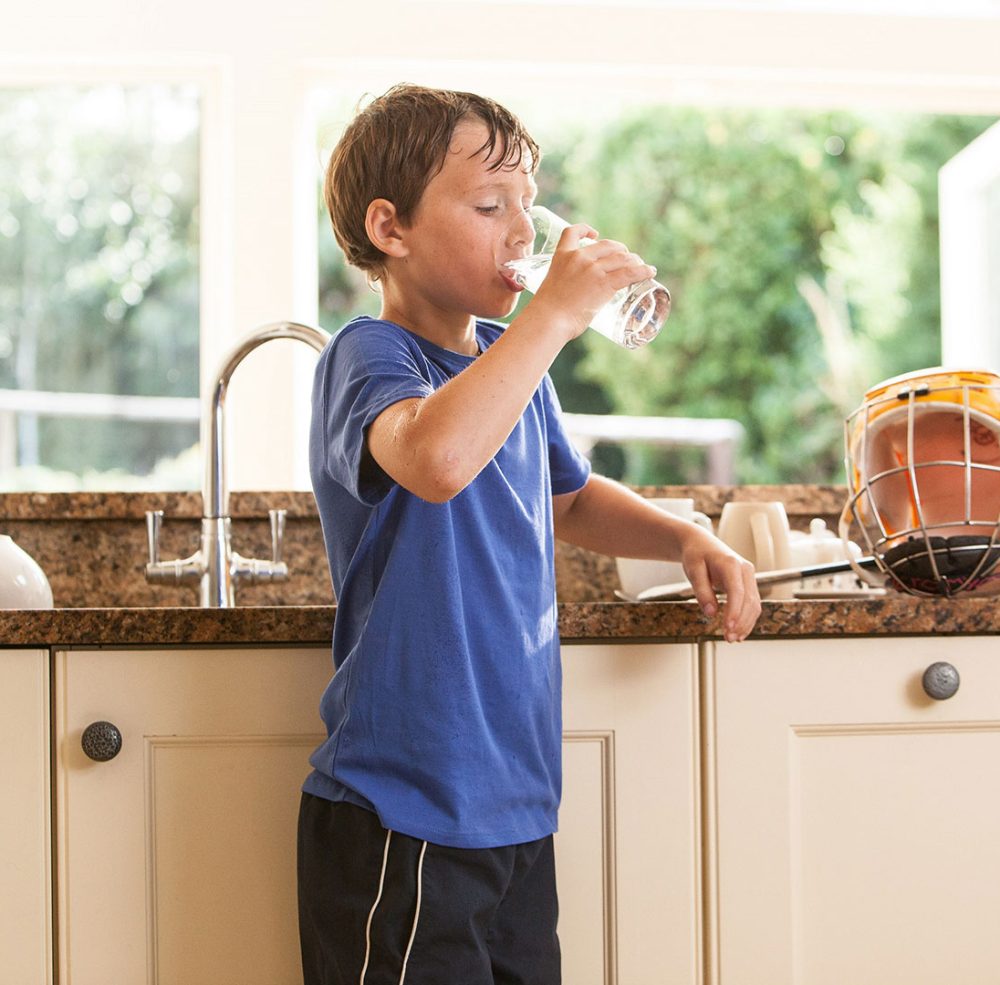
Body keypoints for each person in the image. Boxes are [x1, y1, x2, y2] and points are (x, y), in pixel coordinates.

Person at [299, 83, 761, 985]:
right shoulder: (369, 353)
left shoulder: (516, 367)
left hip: (513, 806)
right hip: (404, 808)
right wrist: (551, 316)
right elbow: (434, 457)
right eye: (487, 205)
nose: (523, 230)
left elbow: (569, 497)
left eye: (528, 203)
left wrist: (683, 536)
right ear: (390, 229)